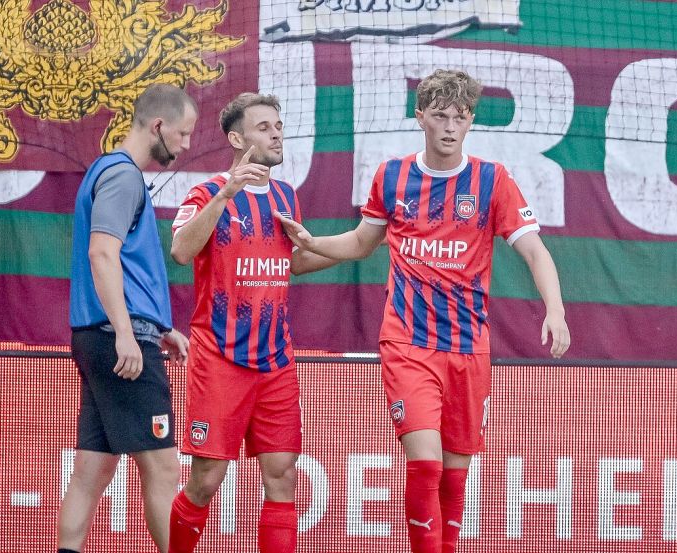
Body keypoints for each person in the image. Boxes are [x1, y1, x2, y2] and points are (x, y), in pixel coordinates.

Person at [276, 69, 571, 553]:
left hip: (468, 349)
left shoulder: (492, 180)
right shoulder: (392, 175)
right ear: (421, 117)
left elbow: (535, 251)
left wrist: (554, 311)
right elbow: (360, 242)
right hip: (408, 342)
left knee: (455, 478)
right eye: (440, 116)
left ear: (471, 121)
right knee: (427, 464)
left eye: (460, 117)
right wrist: (308, 247)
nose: (450, 126)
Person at [166, 92, 335, 553]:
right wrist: (226, 193)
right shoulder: (206, 193)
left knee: (282, 476)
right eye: (264, 127)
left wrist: (360, 245)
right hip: (219, 357)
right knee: (206, 480)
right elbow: (181, 251)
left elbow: (290, 262)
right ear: (237, 138)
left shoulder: (285, 195)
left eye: (278, 125)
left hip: (276, 361)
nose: (277, 133)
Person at [59, 83, 196, 553]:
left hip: (104, 334)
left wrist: (158, 328)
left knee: (91, 471)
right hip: (116, 339)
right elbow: (102, 253)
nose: (186, 143)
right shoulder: (122, 176)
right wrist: (126, 332)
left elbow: (124, 268)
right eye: (183, 133)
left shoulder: (107, 171)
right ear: (158, 126)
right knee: (161, 468)